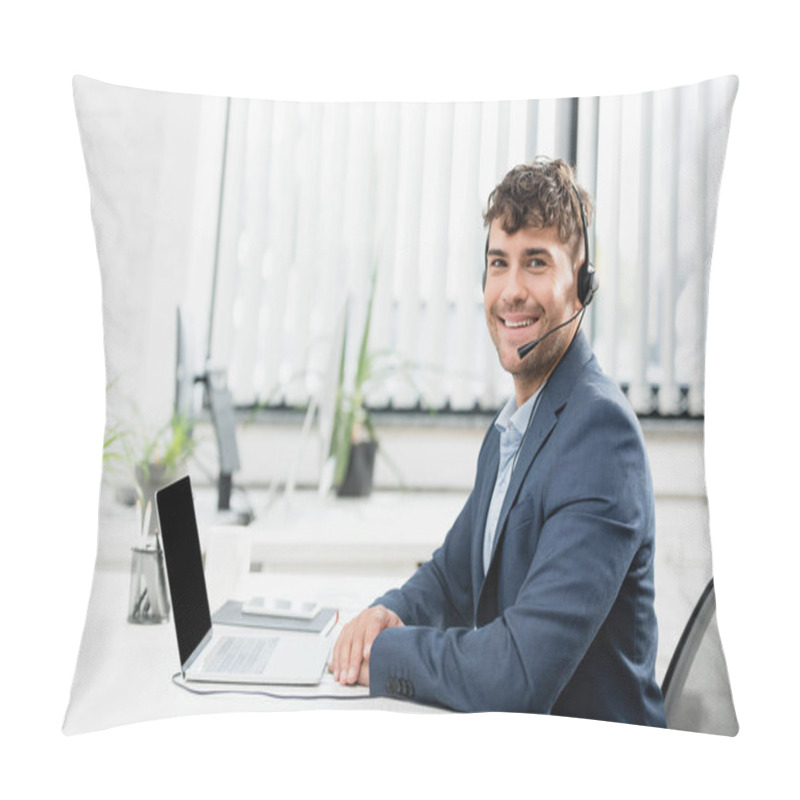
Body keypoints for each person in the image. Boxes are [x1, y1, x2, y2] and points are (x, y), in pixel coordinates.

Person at [329, 156, 666, 726]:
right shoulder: (516, 426)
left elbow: (518, 675)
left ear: (582, 285)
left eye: (536, 263)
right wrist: (388, 613)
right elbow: (454, 576)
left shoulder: (601, 438)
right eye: (498, 264)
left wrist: (380, 655)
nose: (511, 291)